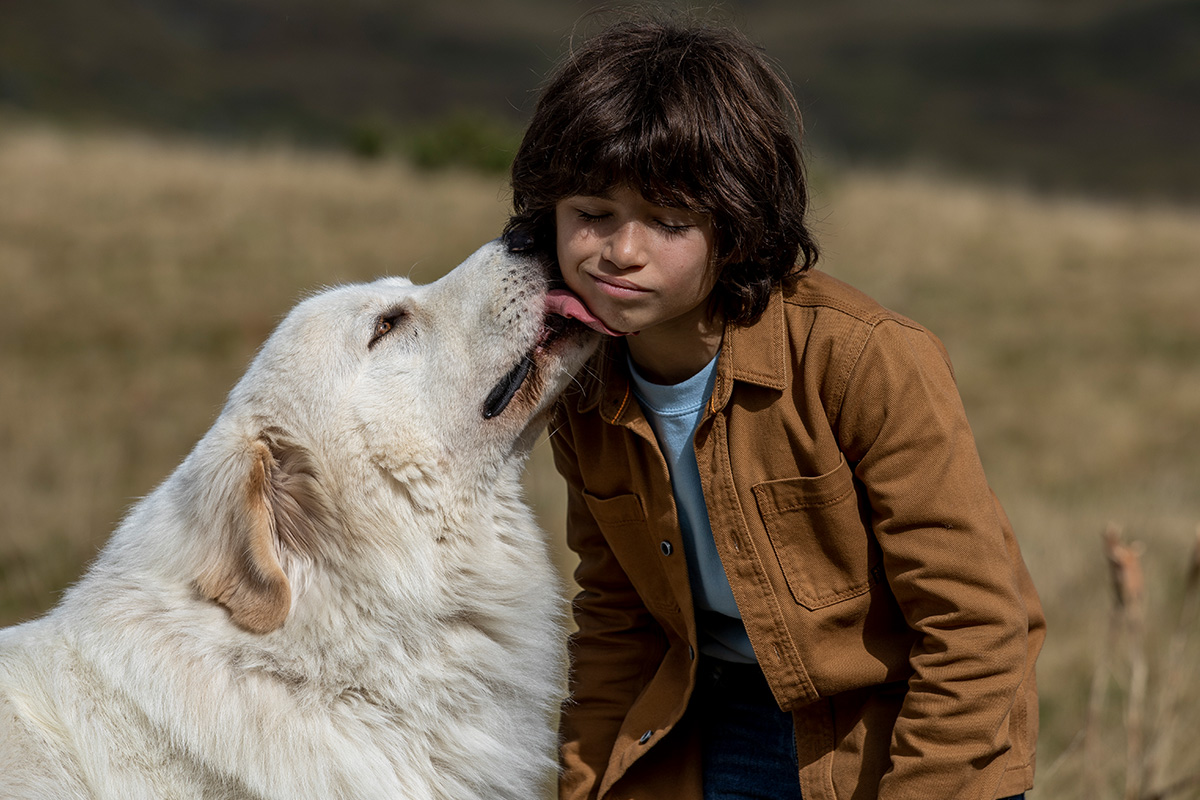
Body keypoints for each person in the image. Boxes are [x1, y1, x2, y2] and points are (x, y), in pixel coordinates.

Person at [504, 15, 1045, 800]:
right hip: (708, 720)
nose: (621, 251)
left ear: (738, 228)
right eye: (591, 211)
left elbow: (976, 628)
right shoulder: (586, 386)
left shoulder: (865, 359)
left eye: (670, 221)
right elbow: (617, 623)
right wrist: (586, 786)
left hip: (897, 733)